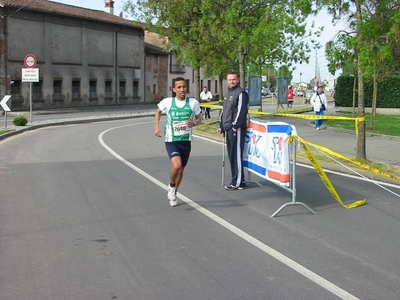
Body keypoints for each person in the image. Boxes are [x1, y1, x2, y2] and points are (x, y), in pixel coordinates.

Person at [154, 77, 202, 207]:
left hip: (186, 140)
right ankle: (171, 185)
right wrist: (157, 127)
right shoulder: (168, 102)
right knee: (177, 166)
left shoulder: (193, 103)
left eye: (184, 87)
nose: (182, 89)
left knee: (181, 171)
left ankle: (174, 192)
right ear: (174, 89)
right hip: (171, 140)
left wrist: (193, 123)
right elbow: (158, 112)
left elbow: (199, 119)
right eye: (179, 87)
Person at [218, 71, 249, 190]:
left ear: (238, 80)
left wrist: (235, 125)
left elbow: (241, 111)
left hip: (236, 129)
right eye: (230, 79)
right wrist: (221, 125)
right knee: (232, 155)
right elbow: (224, 111)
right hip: (228, 129)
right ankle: (237, 179)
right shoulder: (228, 93)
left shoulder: (241, 93)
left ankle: (237, 182)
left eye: (234, 79)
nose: (232, 81)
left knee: (236, 155)